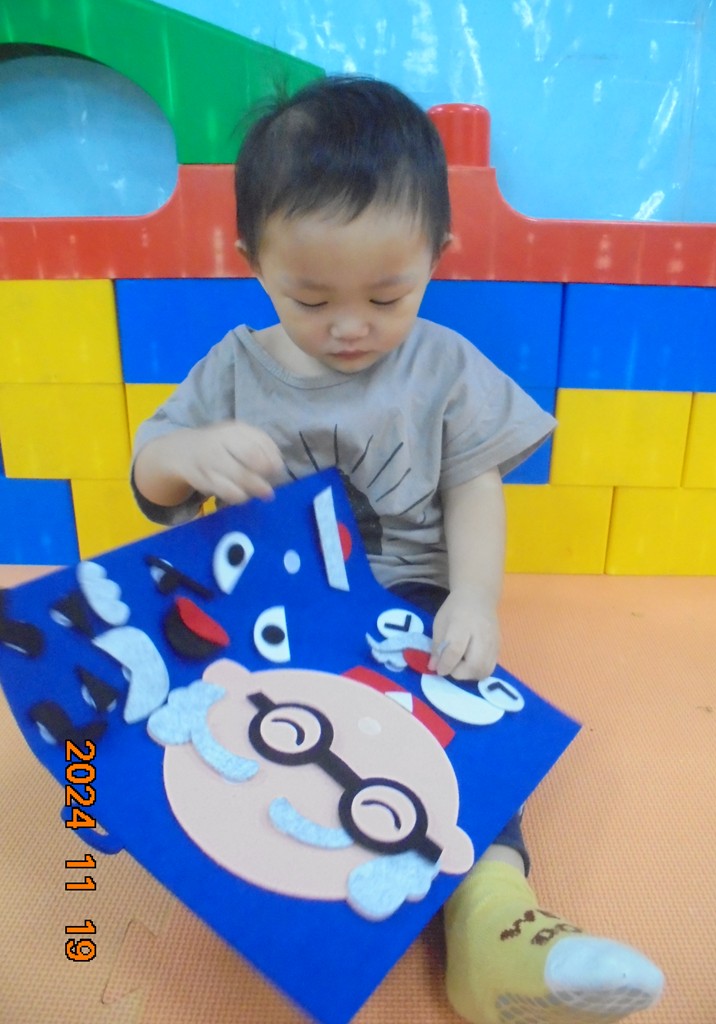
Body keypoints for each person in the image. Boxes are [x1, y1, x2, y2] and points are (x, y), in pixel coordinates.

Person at [131, 75, 664, 1024]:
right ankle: (265, 886)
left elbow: (473, 488)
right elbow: (151, 475)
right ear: (254, 264)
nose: (349, 327)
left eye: (387, 295)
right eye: (309, 297)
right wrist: (184, 453)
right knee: (193, 724)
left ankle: (493, 917)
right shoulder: (233, 369)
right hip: (269, 613)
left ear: (435, 257)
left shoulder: (443, 367)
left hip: (404, 601)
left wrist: (474, 600)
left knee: (458, 732)